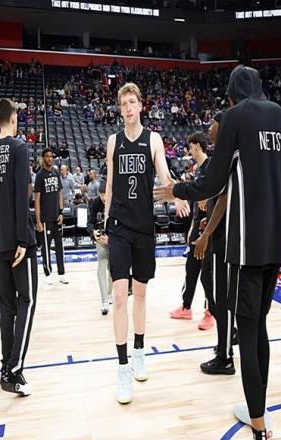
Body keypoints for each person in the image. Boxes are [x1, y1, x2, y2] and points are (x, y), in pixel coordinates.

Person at [154, 65, 281, 440]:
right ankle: (259, 409)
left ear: (230, 95)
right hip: (275, 245)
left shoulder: (235, 118)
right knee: (260, 328)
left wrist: (177, 190)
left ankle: (258, 425)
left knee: (248, 333)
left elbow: (213, 182)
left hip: (243, 249)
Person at [105, 82, 189, 404]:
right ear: (120, 109)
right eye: (123, 103)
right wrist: (105, 222)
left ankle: (139, 352)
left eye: (132, 102)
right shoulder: (113, 142)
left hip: (143, 228)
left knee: (140, 294)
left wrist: (176, 195)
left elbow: (165, 176)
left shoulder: (153, 139)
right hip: (118, 227)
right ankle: (122, 369)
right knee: (119, 295)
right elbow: (110, 184)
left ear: (141, 105)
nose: (127, 108)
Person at [0, 97, 38, 397]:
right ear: (13, 117)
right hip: (19, 241)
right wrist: (22, 239)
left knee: (6, 305)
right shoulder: (18, 147)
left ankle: (5, 366)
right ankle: (14, 370)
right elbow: (21, 196)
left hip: (0, 240)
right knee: (26, 301)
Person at [192, 113, 239, 375]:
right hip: (217, 233)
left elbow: (223, 199)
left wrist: (207, 233)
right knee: (211, 288)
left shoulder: (226, 156)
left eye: (212, 123)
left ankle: (226, 355)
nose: (209, 127)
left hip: (222, 239)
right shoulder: (222, 156)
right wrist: (208, 220)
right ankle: (228, 337)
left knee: (221, 296)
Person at [169, 131, 215, 331]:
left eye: (190, 147)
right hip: (197, 227)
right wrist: (192, 229)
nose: (188, 151)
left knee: (208, 275)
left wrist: (208, 199)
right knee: (191, 269)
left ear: (197, 146)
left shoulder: (211, 166)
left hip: (209, 229)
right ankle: (186, 307)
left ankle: (210, 312)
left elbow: (217, 196)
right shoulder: (198, 170)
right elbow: (197, 204)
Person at [34, 149, 68, 285]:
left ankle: (61, 274)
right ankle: (48, 273)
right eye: (47, 156)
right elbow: (37, 199)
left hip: (56, 216)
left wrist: (61, 212)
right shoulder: (39, 175)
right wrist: (38, 220)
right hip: (45, 218)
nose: (50, 158)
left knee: (60, 247)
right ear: (43, 158)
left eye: (51, 156)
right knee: (46, 248)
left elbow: (60, 193)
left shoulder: (55, 172)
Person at [88, 179, 112, 315]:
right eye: (101, 195)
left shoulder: (116, 201)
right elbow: (90, 222)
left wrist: (112, 239)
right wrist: (93, 232)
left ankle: (109, 294)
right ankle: (104, 301)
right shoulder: (95, 202)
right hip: (101, 239)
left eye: (105, 195)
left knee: (113, 269)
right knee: (101, 267)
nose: (103, 198)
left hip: (114, 239)